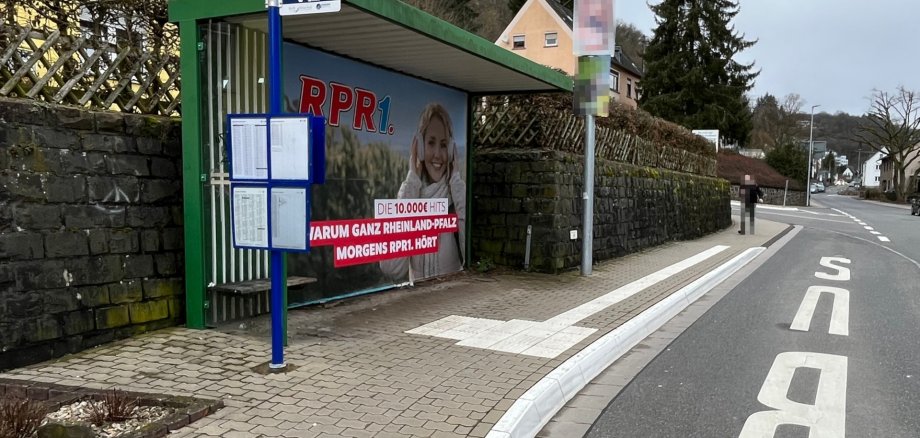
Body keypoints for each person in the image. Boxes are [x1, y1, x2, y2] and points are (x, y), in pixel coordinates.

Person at [379, 103, 466, 281]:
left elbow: (471, 254)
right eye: (431, 143)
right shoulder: (411, 196)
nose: (437, 154)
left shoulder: (457, 200)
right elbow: (391, 268)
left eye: (443, 145)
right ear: (419, 147)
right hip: (420, 301)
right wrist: (412, 181)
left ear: (451, 151)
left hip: (452, 300)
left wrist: (456, 184)